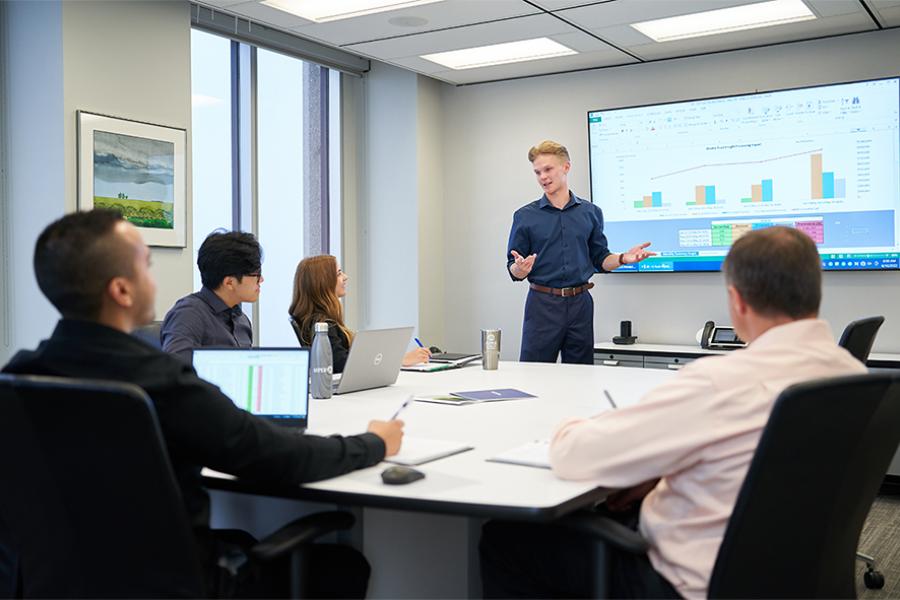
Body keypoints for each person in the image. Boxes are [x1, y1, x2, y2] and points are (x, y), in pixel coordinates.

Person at [3, 210, 405, 597]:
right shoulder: (159, 383)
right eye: (147, 265)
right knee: (343, 567)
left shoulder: (17, 379)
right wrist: (373, 443)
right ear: (121, 290)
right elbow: (281, 457)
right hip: (174, 583)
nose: (155, 281)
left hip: (54, 581)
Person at [481, 226, 867, 599]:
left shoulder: (719, 381)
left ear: (738, 301)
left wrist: (570, 421)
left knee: (507, 541)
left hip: (690, 582)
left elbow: (572, 454)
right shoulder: (852, 374)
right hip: (792, 573)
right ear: (814, 291)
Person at [507, 140, 655, 364]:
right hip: (542, 305)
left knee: (582, 373)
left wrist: (625, 258)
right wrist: (519, 268)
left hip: (580, 305)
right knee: (533, 372)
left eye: (548, 169)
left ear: (566, 167)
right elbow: (513, 268)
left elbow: (601, 259)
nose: (543, 177)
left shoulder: (591, 212)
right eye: (537, 172)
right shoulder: (525, 216)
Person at [288, 255, 430, 373]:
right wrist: (400, 360)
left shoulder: (317, 319)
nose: (345, 277)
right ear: (323, 282)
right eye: (338, 273)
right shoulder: (322, 325)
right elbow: (341, 366)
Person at [161, 230, 262, 363]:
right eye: (256, 274)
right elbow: (175, 371)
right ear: (229, 282)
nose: (261, 280)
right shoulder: (188, 314)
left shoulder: (241, 319)